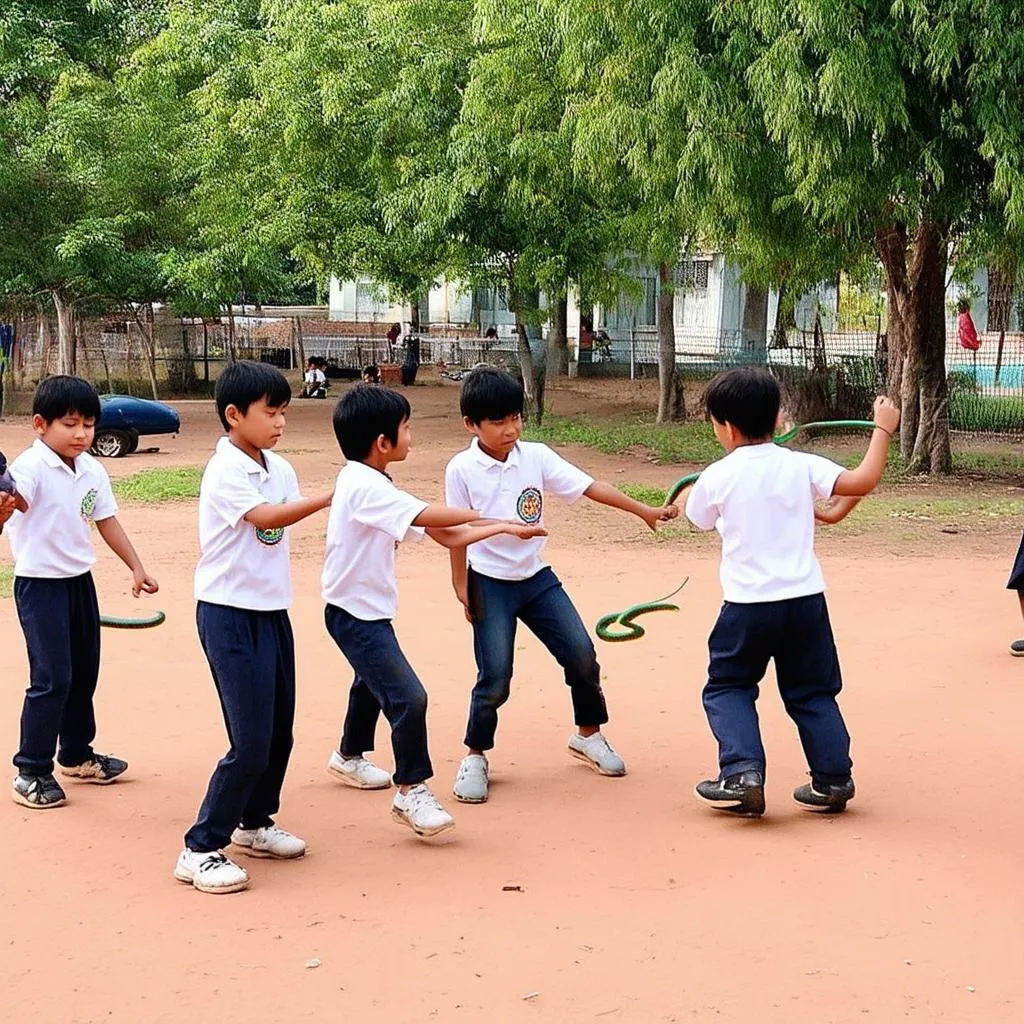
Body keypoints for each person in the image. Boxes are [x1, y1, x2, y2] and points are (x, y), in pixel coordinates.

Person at [444, 367, 677, 804]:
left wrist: (642, 509)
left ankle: (588, 734)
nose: (511, 428)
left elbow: (591, 486)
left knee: (581, 654)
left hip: (535, 579)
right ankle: (475, 754)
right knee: (495, 676)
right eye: (498, 421)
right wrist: (461, 583)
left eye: (516, 417)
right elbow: (455, 529)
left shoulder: (535, 456)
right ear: (471, 425)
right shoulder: (461, 469)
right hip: (489, 582)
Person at [322, 385, 546, 838]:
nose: (411, 437)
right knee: (408, 697)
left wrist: (501, 526)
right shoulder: (367, 488)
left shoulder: (372, 481)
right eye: (405, 429)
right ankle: (411, 790)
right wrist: (491, 516)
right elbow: (436, 518)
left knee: (370, 681)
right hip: (354, 615)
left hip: (364, 608)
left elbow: (448, 536)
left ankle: (348, 755)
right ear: (383, 443)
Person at [678, 367, 899, 817]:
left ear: (724, 426)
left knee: (729, 686)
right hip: (804, 604)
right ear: (780, 417)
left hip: (746, 608)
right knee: (813, 692)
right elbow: (861, 481)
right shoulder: (801, 465)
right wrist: (882, 430)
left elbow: (697, 518)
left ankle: (742, 774)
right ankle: (833, 779)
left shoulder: (716, 476)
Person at [175, 361, 334, 895]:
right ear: (234, 415)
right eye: (271, 412)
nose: (280, 422)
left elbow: (283, 506)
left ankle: (255, 823)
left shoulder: (278, 467)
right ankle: (199, 848)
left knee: (278, 732)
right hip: (226, 613)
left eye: (284, 411)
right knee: (249, 741)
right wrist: (333, 497)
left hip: (271, 613)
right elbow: (267, 518)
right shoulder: (224, 471)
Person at [4, 375, 159, 810]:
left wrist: (136, 566)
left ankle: (75, 755)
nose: (81, 434)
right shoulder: (29, 469)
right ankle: (31, 770)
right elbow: (14, 502)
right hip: (40, 586)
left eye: (89, 424)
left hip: (78, 583)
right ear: (40, 425)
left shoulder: (92, 469)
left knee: (84, 674)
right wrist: (6, 504)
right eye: (70, 424)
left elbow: (105, 520)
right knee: (52, 678)